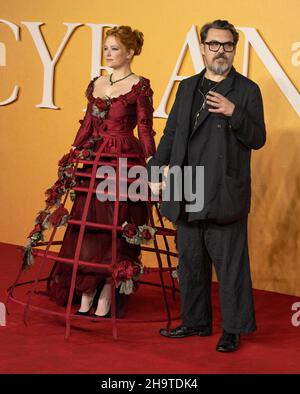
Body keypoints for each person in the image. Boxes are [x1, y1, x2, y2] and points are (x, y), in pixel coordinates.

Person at [147, 20, 266, 352]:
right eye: (214, 44)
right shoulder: (187, 87)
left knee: (230, 266)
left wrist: (234, 112)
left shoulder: (246, 90)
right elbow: (171, 135)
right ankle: (196, 322)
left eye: (228, 45)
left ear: (234, 49)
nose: (221, 52)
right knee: (191, 262)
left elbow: (258, 138)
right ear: (202, 47)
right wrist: (156, 169)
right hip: (187, 187)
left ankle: (233, 329)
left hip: (223, 190)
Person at [48, 25, 156, 317]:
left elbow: (145, 128)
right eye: (106, 48)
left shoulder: (139, 86)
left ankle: (107, 291)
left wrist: (154, 167)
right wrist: (73, 152)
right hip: (95, 161)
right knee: (89, 222)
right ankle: (86, 290)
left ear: (130, 52)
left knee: (117, 223)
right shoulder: (97, 83)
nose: (108, 53)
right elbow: (87, 124)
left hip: (124, 161)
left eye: (115, 48)